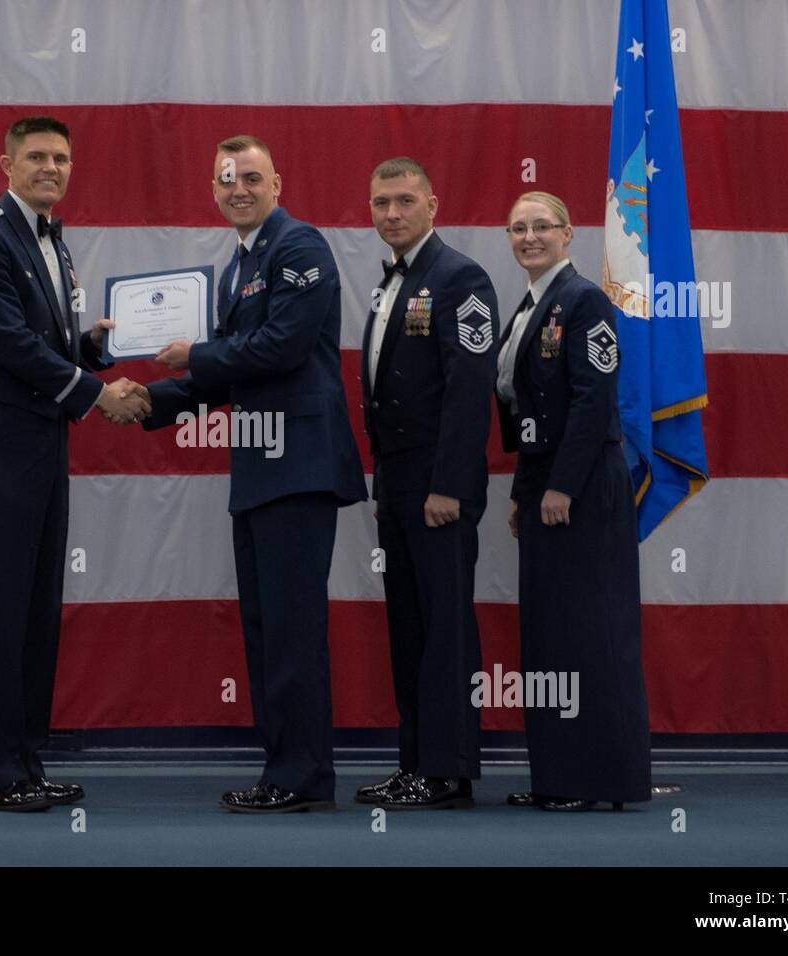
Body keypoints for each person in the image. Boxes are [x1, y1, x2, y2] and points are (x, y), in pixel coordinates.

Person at [145, 135, 367, 813]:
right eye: (225, 180)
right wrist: (142, 401)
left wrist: (196, 357)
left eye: (249, 177)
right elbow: (234, 370)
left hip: (298, 466)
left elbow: (281, 347)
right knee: (267, 628)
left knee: (292, 630)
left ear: (277, 182)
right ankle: (284, 769)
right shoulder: (239, 265)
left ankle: (302, 777)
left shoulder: (299, 246)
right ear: (213, 192)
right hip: (262, 468)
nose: (237, 188)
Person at [0, 116, 149, 812]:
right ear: (6, 163)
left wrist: (89, 346)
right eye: (36, 156)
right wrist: (94, 393)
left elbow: (45, 340)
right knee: (4, 606)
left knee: (37, 609)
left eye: (61, 157)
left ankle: (27, 762)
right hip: (5, 434)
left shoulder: (51, 240)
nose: (51, 167)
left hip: (44, 433)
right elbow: (5, 340)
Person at [494, 190, 651, 811]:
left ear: (569, 234)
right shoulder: (531, 305)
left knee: (590, 634)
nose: (528, 237)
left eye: (542, 226)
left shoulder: (583, 300)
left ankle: (597, 781)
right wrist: (524, 491)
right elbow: (526, 410)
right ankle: (557, 775)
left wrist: (561, 485)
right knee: (549, 636)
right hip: (544, 484)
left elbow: (592, 400)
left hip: (583, 488)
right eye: (517, 227)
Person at [355, 158, 498, 810]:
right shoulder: (391, 281)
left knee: (443, 633)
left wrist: (449, 485)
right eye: (381, 202)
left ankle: (447, 771)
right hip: (400, 483)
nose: (390, 213)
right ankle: (415, 764)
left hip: (438, 487)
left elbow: (471, 393)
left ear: (433, 205)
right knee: (409, 630)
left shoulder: (459, 277)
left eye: (404, 200)